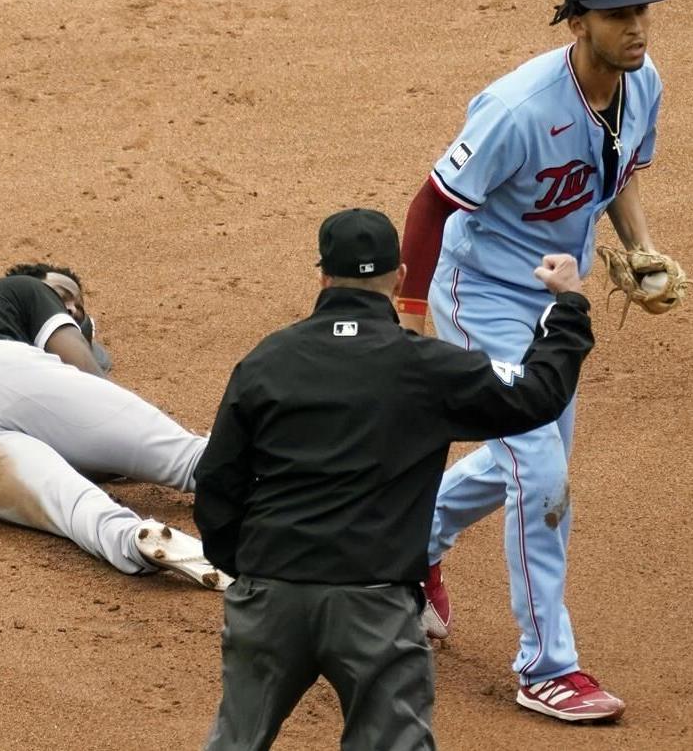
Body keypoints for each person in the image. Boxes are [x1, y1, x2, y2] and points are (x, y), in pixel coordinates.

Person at [194, 208, 595, 750]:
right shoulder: (428, 366)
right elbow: (538, 393)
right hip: (374, 605)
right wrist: (566, 307)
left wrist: (247, 569)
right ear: (401, 277)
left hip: (270, 595)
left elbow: (217, 480)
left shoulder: (268, 360)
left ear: (322, 276)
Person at [395, 0, 669, 722]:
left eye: (641, 10)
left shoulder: (641, 83)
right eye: (617, 15)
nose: (636, 27)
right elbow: (430, 203)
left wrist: (640, 250)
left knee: (526, 461)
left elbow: (620, 176)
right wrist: (412, 316)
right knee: (539, 475)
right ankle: (545, 666)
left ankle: (405, 550)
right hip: (478, 291)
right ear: (577, 20)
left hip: (555, 302)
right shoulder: (518, 107)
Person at [0, 261, 228, 590]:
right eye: (63, 296)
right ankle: (264, 479)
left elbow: (84, 458)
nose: (73, 307)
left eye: (80, 305)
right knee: (184, 458)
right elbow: (85, 369)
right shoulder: (24, 288)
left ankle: (132, 540)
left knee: (67, 504)